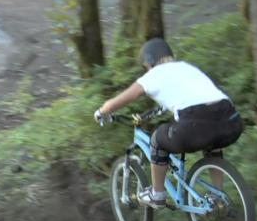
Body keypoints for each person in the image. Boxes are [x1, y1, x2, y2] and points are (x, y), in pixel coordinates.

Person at [94, 38, 244, 209]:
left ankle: (156, 195)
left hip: (196, 123)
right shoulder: (187, 68)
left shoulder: (153, 75)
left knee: (157, 139)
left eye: (145, 66)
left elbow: (123, 99)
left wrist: (102, 112)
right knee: (213, 144)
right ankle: (219, 195)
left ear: (149, 62)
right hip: (231, 120)